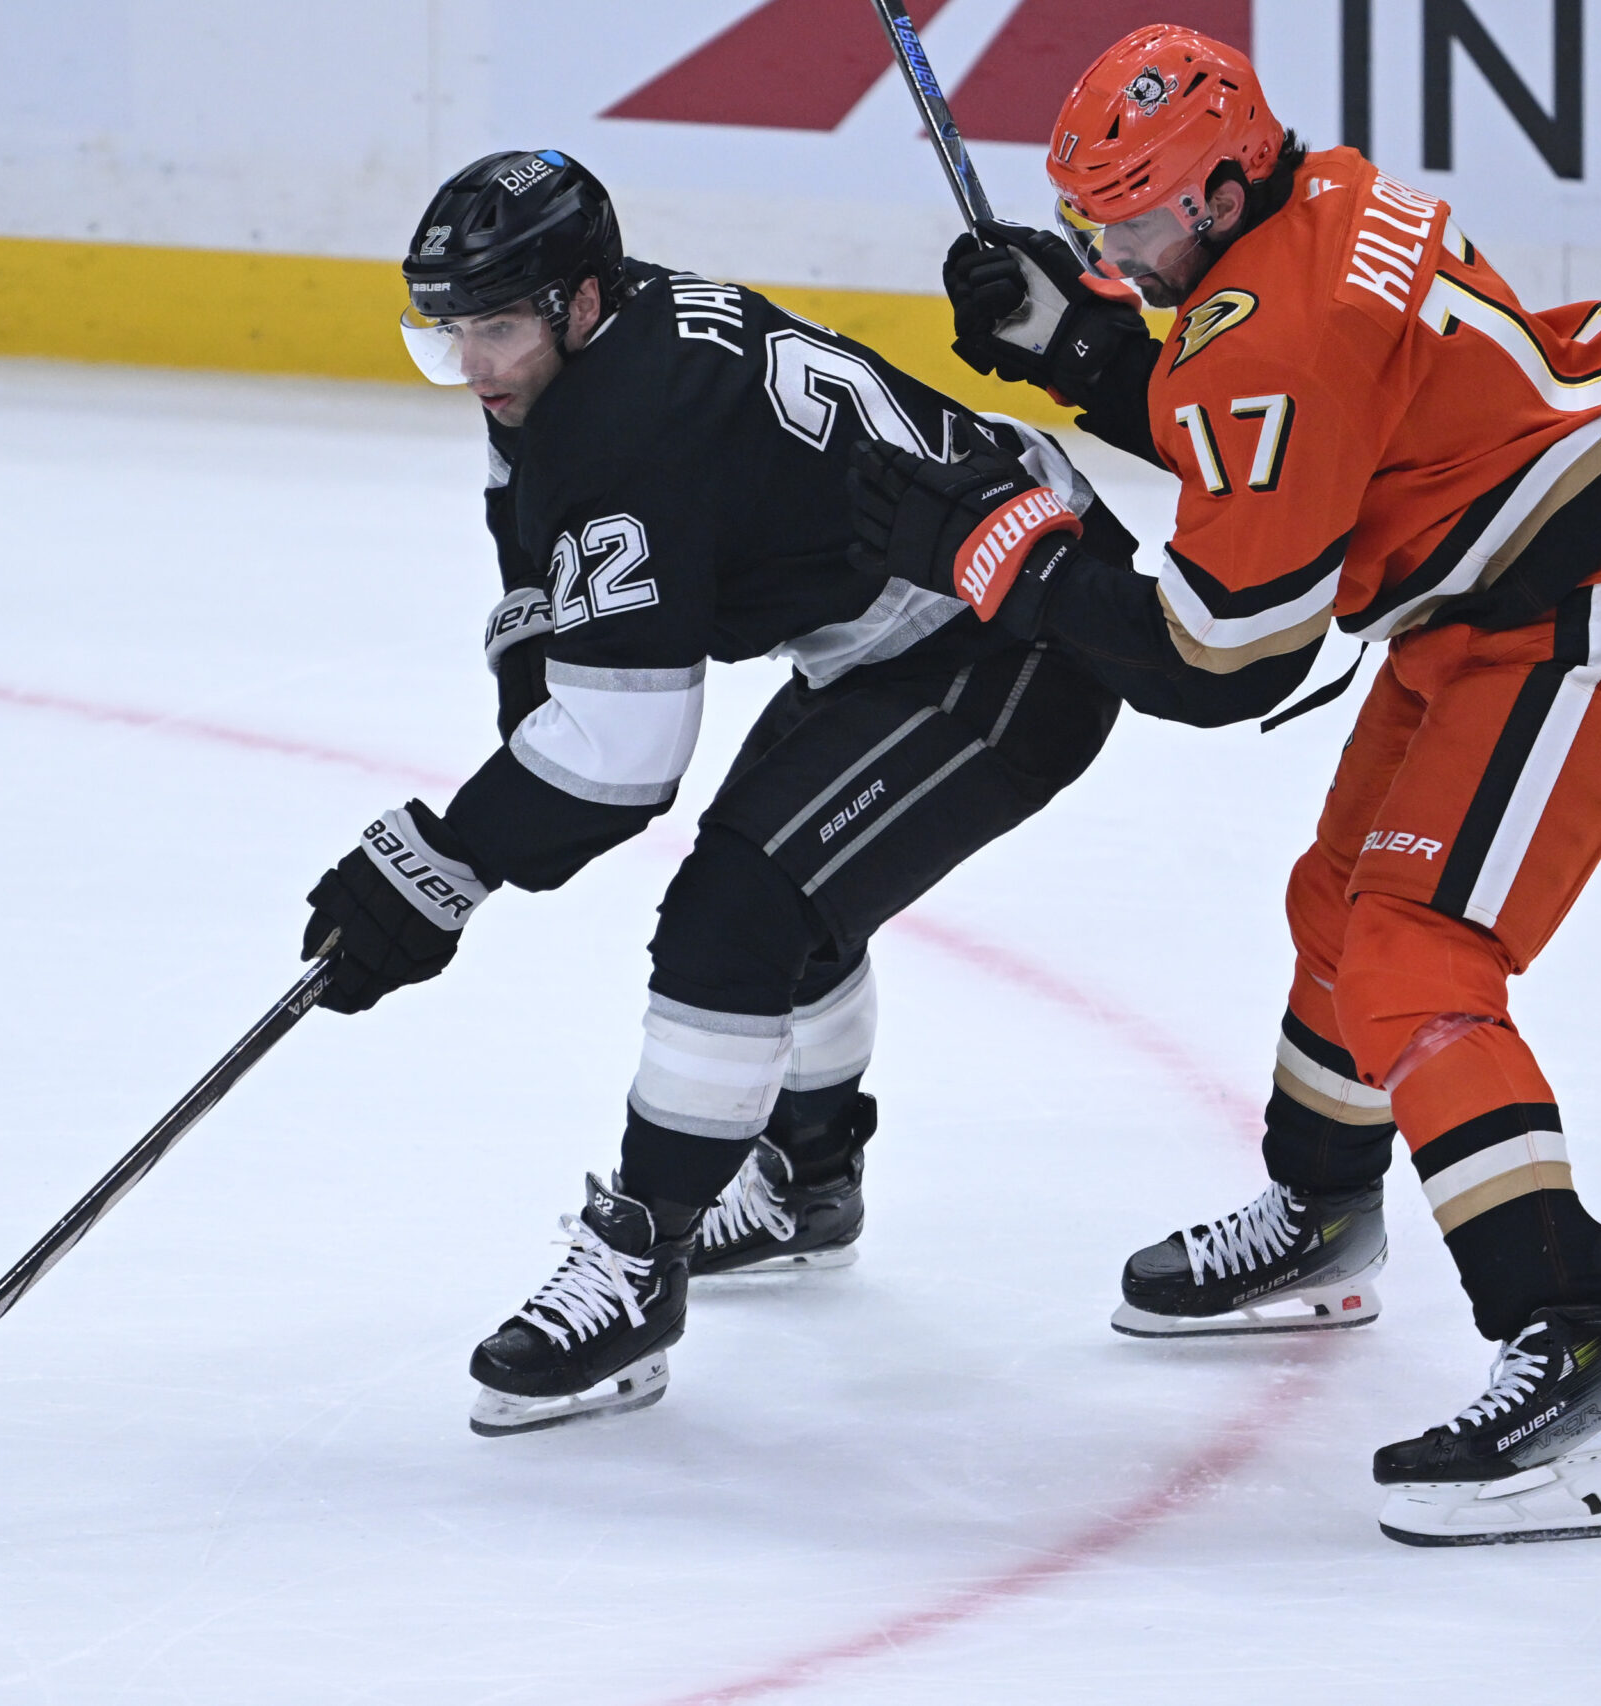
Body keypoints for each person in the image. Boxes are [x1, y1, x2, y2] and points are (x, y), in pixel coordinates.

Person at [848, 25, 1601, 1543]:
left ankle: (1569, 1358)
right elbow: (1277, 426)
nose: (1105, 249)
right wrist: (1079, 343)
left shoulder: (1276, 329)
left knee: (1413, 951)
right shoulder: (1308, 199)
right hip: (1496, 578)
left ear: (1212, 192)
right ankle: (1324, 1214)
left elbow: (1227, 656)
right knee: (1340, 897)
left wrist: (1014, 554)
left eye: (1125, 224)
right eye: (1087, 226)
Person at [302, 150, 1130, 1436]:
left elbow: (622, 760)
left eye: (499, 330)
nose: (474, 365)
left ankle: (640, 1259)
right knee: (783, 877)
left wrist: (439, 864)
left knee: (737, 915)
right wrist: (528, 713)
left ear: (580, 300)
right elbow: (539, 548)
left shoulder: (635, 414)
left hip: (1020, 632)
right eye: (449, 334)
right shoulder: (570, 354)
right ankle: (804, 1177)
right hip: (908, 632)